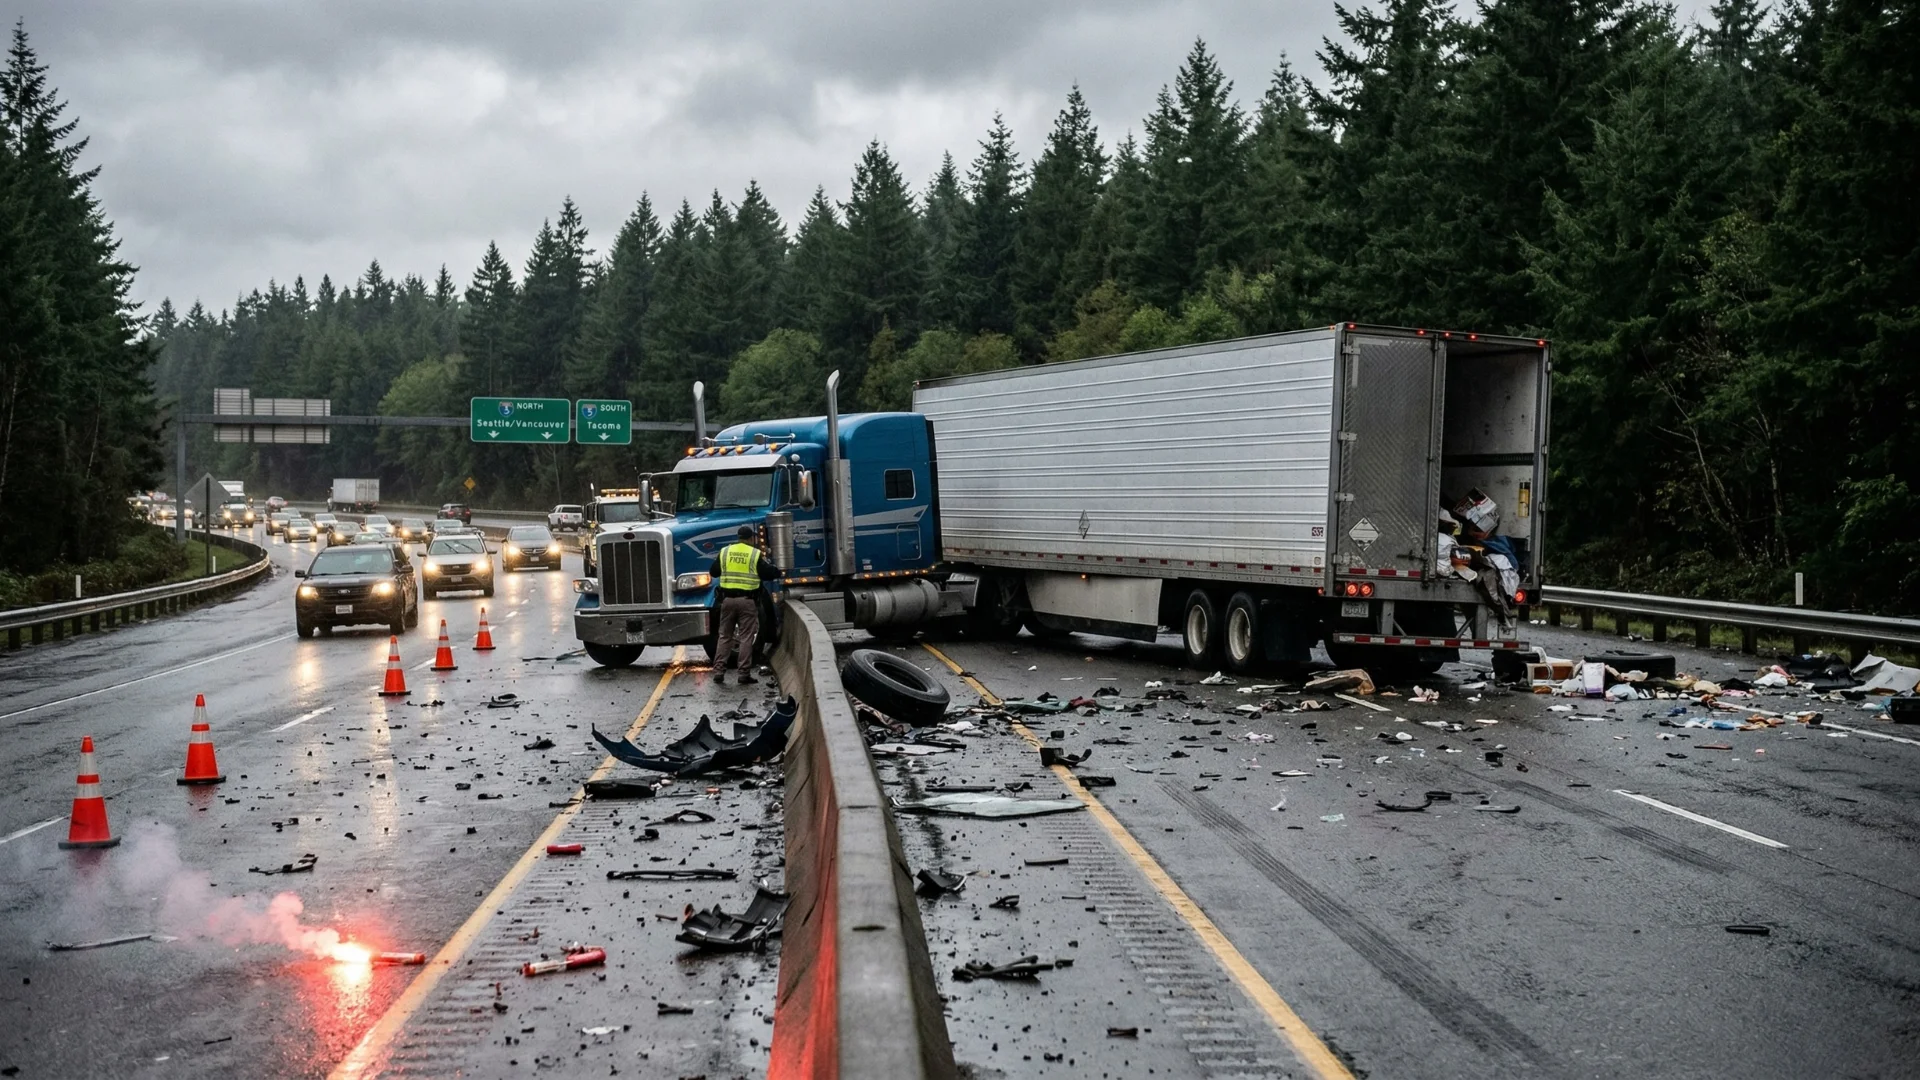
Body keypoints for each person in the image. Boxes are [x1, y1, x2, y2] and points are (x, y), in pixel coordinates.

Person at [710, 524, 780, 684]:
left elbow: (713, 571)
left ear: (738, 537)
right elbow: (767, 573)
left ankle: (719, 672)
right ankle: (743, 674)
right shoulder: (754, 554)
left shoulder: (725, 552)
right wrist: (777, 571)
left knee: (724, 636)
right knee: (746, 637)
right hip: (747, 602)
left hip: (726, 601)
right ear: (751, 538)